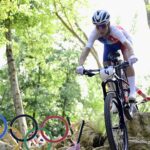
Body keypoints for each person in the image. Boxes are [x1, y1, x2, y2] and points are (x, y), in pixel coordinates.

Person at [76, 10, 138, 103]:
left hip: (123, 43)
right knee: (106, 68)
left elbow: (126, 43)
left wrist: (132, 55)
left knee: (127, 62)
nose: (100, 29)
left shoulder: (115, 30)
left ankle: (132, 92)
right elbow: (87, 49)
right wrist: (80, 65)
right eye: (97, 26)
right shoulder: (95, 33)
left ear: (108, 24)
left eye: (103, 26)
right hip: (109, 45)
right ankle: (114, 97)